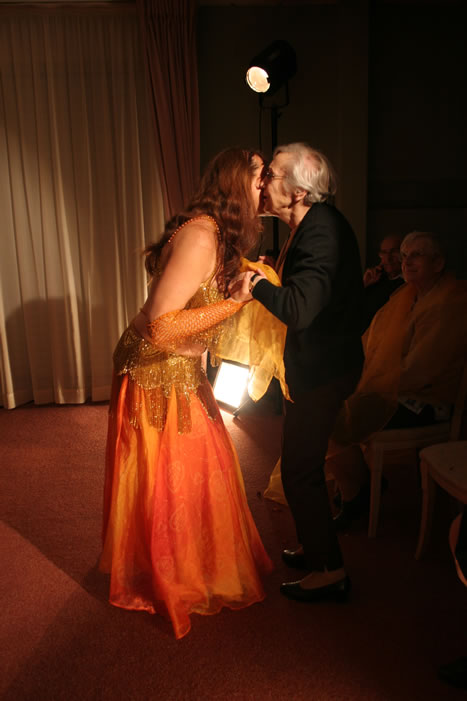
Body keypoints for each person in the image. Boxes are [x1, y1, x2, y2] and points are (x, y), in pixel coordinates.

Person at [99, 147, 273, 639]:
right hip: (154, 371)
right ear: (237, 183)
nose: (266, 186)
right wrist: (233, 304)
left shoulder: (215, 235)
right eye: (260, 177)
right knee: (169, 475)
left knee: (199, 466)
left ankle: (195, 565)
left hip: (179, 366)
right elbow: (159, 325)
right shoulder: (200, 235)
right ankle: (172, 575)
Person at [232, 142, 364, 602]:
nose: (263, 181)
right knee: (301, 466)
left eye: (271, 174)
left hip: (323, 370)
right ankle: (315, 547)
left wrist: (254, 285)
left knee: (299, 472)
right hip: (318, 365)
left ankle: (330, 571)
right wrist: (272, 277)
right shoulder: (311, 225)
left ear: (298, 192)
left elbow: (301, 309)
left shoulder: (321, 230)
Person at [329, 231, 467, 528]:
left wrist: (372, 384)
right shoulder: (409, 295)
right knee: (327, 401)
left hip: (428, 401)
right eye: (404, 256)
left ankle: (357, 493)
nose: (407, 262)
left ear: (438, 263)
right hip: (399, 388)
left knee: (331, 416)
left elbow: (422, 369)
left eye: (416, 255)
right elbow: (374, 344)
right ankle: (360, 483)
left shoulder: (449, 302)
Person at [360, 234, 404, 332]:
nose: (388, 258)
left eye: (394, 252)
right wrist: (364, 284)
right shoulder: (376, 279)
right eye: (384, 252)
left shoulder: (408, 284)